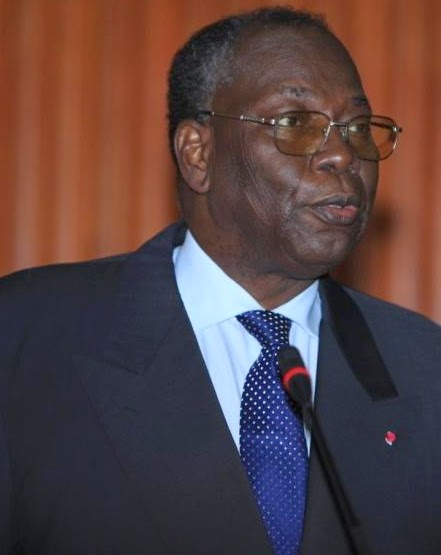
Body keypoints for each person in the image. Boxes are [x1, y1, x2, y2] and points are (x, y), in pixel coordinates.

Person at [0, 6, 440, 555]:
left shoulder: (426, 370)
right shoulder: (25, 338)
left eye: (355, 128)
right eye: (296, 124)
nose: (341, 154)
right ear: (198, 154)